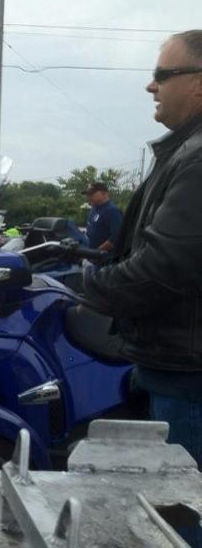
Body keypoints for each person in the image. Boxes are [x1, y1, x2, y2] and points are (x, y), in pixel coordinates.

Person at [83, 31, 202, 486]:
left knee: (182, 510)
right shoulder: (185, 151)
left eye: (161, 76)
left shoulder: (197, 157)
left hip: (187, 373)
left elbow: (164, 267)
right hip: (174, 361)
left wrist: (86, 289)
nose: (151, 87)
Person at [83, 181, 123, 251]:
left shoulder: (113, 211)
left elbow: (115, 239)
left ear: (104, 193)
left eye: (92, 194)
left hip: (104, 259)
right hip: (89, 254)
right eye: (88, 194)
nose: (89, 197)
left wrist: (95, 253)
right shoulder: (94, 209)